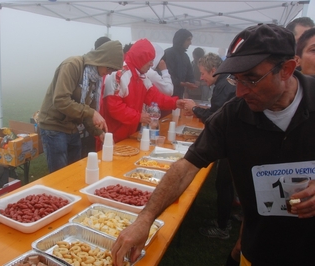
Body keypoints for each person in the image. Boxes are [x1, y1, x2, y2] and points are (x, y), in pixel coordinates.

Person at [111, 24, 315, 266]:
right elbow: (186, 167)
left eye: (250, 79)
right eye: (235, 79)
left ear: (287, 70)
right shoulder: (232, 116)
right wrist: (145, 219)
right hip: (258, 250)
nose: (239, 92)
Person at [38, 40, 123, 173]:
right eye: (109, 68)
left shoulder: (95, 79)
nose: (109, 72)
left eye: (112, 70)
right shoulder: (73, 65)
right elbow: (60, 100)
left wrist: (98, 132)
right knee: (60, 175)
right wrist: (91, 112)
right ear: (101, 59)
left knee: (75, 172)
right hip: (54, 127)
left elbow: (85, 113)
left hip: (72, 128)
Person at [182, 52, 236, 240]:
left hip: (231, 143)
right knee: (226, 183)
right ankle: (225, 218)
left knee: (223, 184)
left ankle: (222, 227)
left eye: (203, 73)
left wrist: (194, 109)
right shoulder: (225, 83)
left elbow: (215, 120)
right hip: (233, 139)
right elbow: (217, 111)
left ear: (214, 71)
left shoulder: (223, 87)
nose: (201, 78)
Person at [102, 38, 184, 143]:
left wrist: (175, 103)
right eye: (149, 60)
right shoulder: (118, 75)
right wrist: (138, 117)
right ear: (141, 58)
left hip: (127, 133)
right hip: (111, 135)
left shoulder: (141, 77)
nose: (151, 64)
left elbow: (155, 97)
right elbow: (114, 108)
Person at [164, 29, 197, 98]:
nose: (190, 43)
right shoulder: (168, 54)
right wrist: (183, 84)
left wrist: (192, 82)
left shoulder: (185, 56)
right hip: (167, 94)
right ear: (181, 40)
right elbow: (167, 74)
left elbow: (190, 74)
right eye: (188, 40)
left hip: (179, 95)